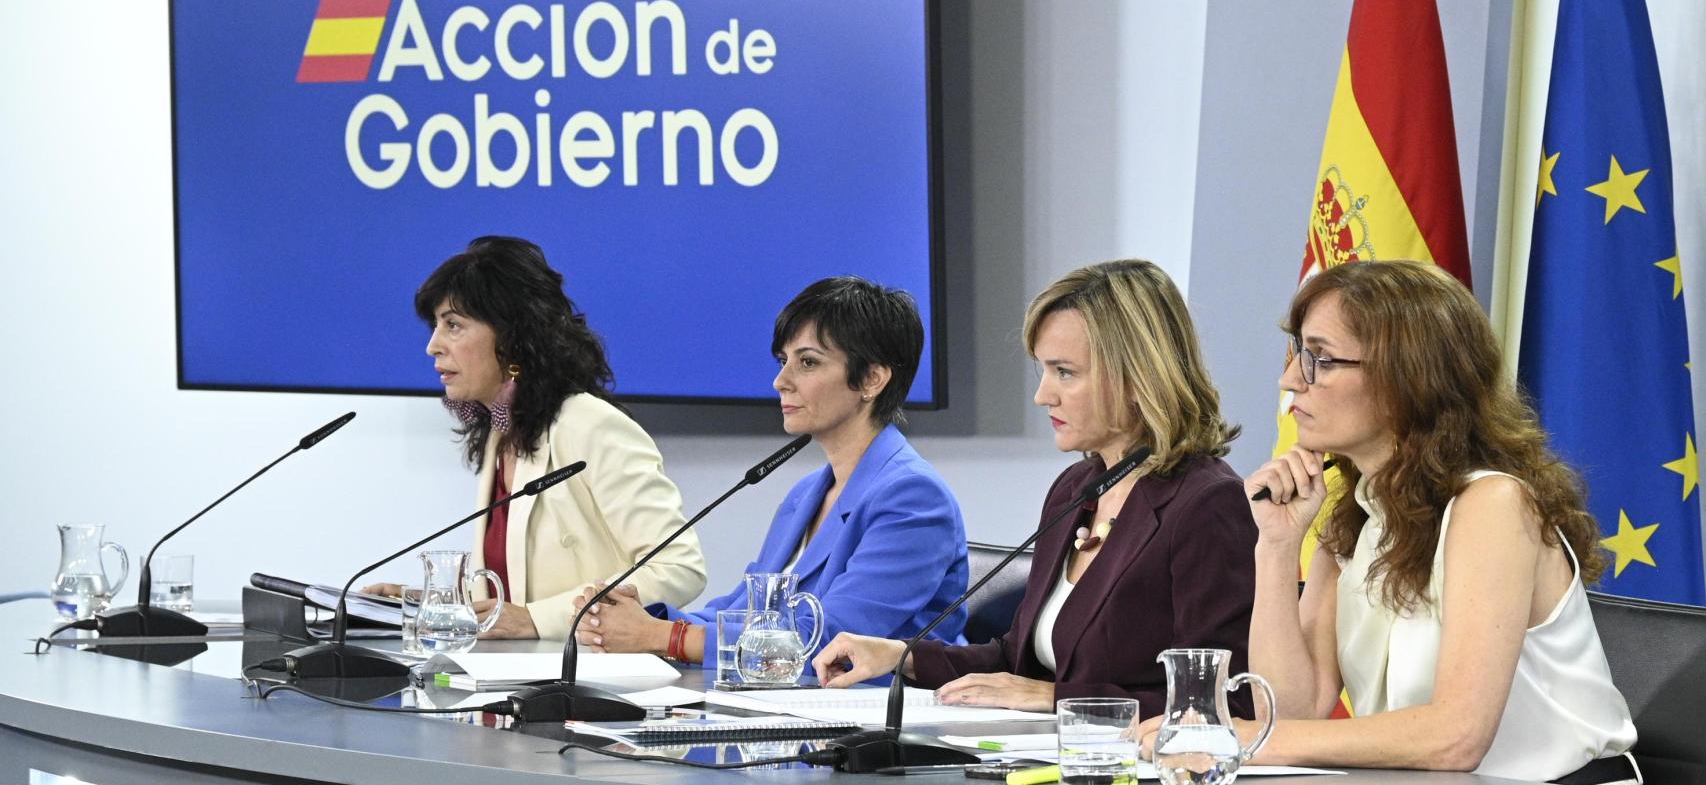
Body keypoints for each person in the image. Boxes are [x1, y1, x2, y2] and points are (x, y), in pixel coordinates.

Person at [1210, 260, 1635, 781]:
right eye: (1298, 353)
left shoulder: (1493, 503)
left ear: (1405, 378)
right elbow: (1293, 713)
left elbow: (1456, 738)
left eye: (1319, 358)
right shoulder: (1353, 518)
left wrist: (1242, 738)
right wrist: (1275, 548)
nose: (1289, 379)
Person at [813, 259, 1256, 716]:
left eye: (1065, 372)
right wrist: (898, 656)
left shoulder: (1207, 504)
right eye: (1043, 371)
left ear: (1137, 377)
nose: (1043, 395)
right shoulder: (1077, 489)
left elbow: (1227, 702)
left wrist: (1055, 699)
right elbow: (1016, 660)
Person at [572, 276, 969, 663]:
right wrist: (645, 619)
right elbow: (742, 609)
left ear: (872, 378)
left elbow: (833, 637)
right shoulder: (806, 494)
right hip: (785, 703)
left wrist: (666, 637)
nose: (781, 381)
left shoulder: (914, 498)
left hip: (870, 713)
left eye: (808, 362)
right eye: (784, 361)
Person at [365, 236, 707, 643]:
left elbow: (679, 567)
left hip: (600, 688)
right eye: (436, 326)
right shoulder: (500, 432)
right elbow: (513, 593)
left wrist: (537, 619)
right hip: (522, 685)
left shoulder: (589, 424)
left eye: (453, 325)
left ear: (510, 336)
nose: (432, 346)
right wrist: (440, 604)